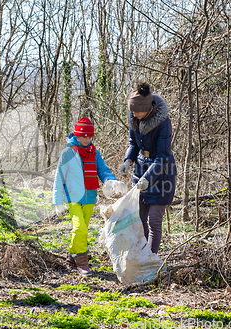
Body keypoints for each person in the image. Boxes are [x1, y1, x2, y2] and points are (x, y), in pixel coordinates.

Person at [53, 117, 126, 276]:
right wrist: (57, 200)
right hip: (73, 198)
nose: (86, 139)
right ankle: (82, 263)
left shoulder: (94, 152)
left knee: (81, 231)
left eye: (89, 136)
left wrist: (111, 180)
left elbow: (103, 169)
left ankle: (71, 257)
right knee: (79, 228)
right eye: (83, 136)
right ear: (76, 135)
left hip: (90, 197)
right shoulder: (68, 153)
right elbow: (59, 176)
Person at [119, 82, 177, 254]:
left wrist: (148, 178)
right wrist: (128, 160)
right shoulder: (134, 118)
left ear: (147, 109)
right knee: (139, 219)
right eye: (132, 111)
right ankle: (141, 256)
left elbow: (163, 156)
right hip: (140, 171)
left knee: (154, 222)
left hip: (161, 175)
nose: (133, 114)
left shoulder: (163, 122)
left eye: (136, 111)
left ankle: (150, 261)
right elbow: (133, 143)